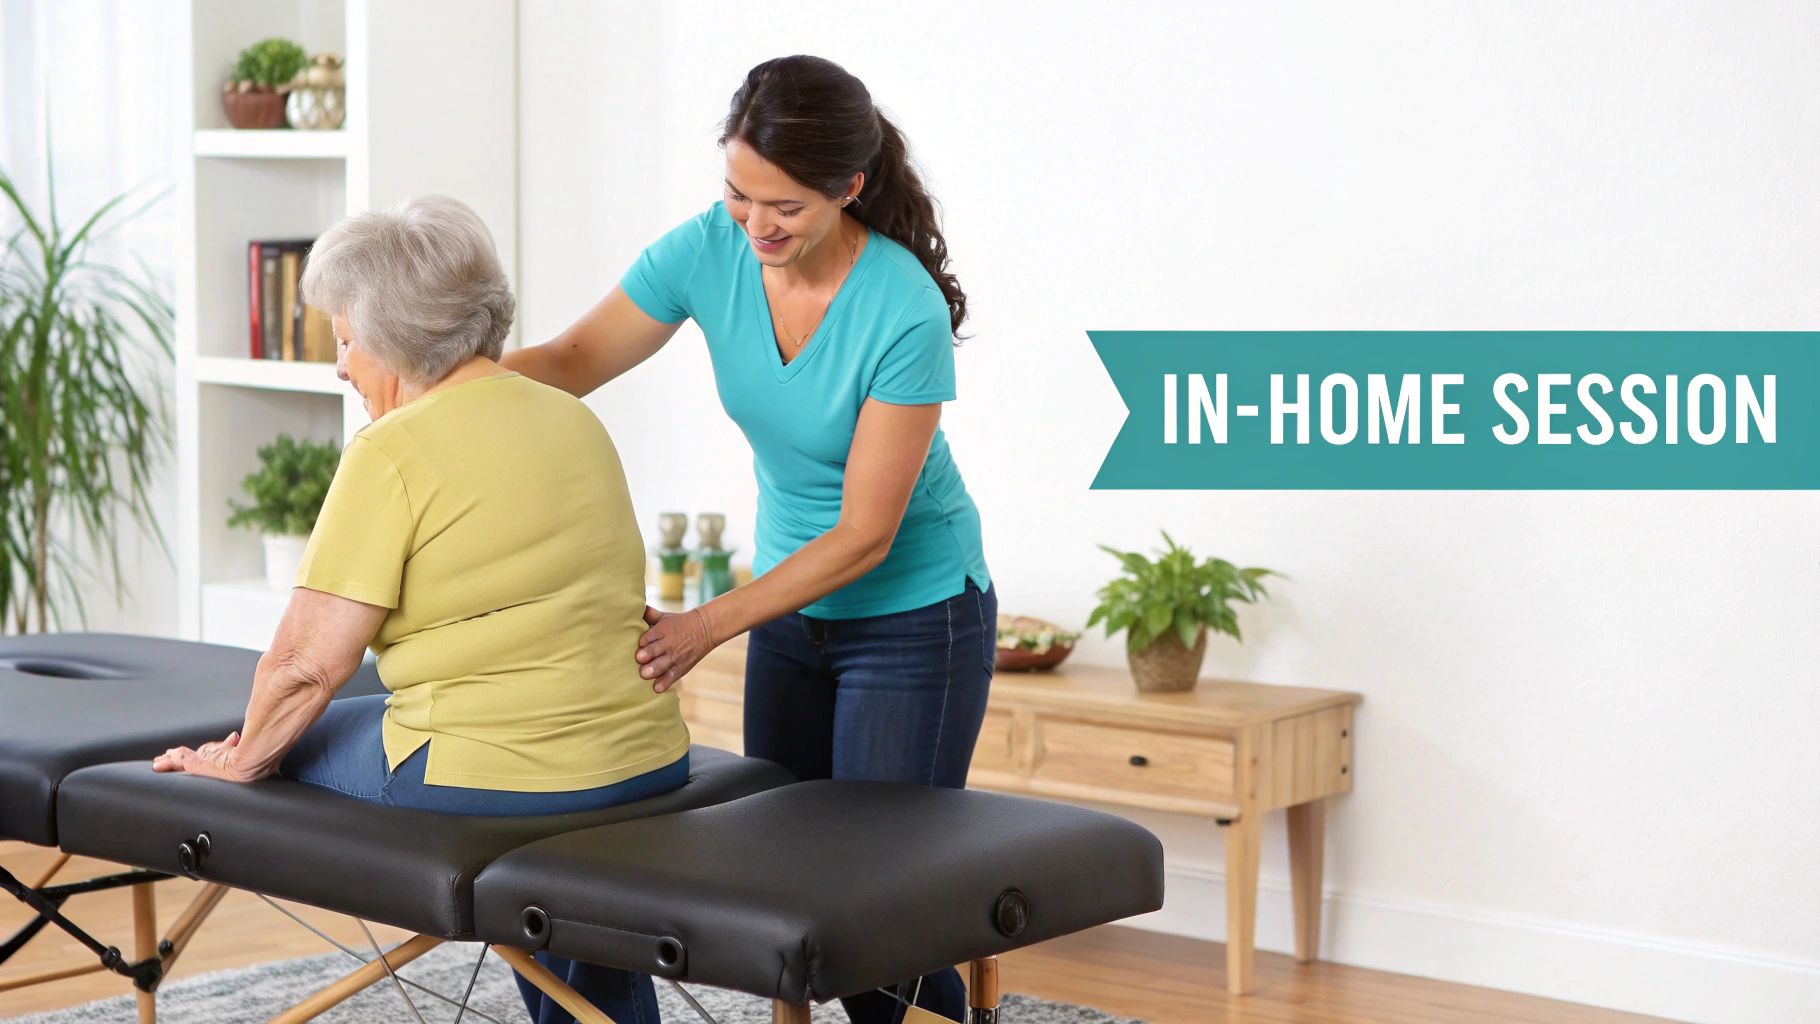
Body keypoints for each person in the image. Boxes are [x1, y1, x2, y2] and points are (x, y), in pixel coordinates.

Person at [502, 55, 994, 1024]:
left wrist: (707, 623)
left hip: (912, 620)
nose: (756, 224)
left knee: (880, 907)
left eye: (785, 206)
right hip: (791, 614)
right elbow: (568, 359)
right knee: (792, 889)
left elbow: (863, 533)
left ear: (848, 188)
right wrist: (439, 393)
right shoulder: (707, 251)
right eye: (738, 195)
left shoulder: (901, 306)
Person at [152, 194, 684, 1024]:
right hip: (642, 754)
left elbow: (306, 667)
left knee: (307, 738)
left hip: (496, 775)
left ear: (396, 337)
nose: (340, 366)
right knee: (564, 877)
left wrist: (240, 760)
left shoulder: (391, 451)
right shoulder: (572, 418)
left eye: (346, 340)